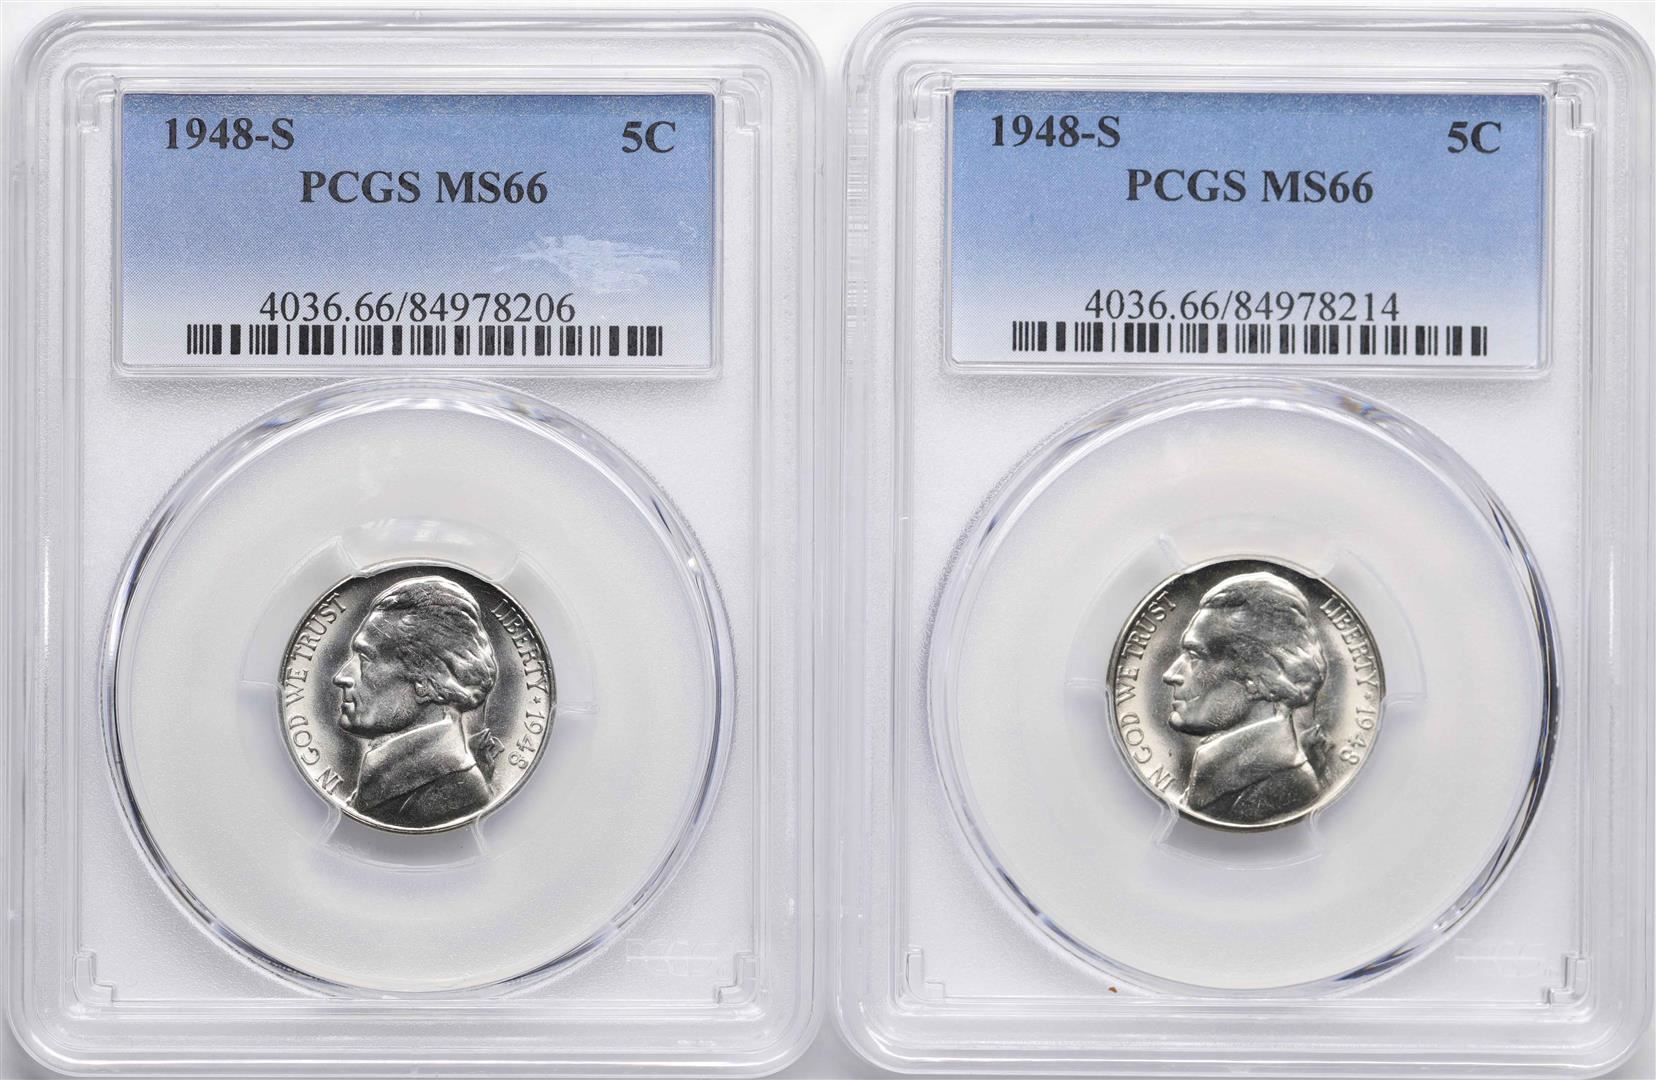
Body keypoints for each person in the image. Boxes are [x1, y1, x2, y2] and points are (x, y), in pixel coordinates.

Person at [332, 575, 498, 828]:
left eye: (365, 659)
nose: (342, 676)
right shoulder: (394, 788)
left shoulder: (456, 798)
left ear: (426, 680)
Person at [1161, 571, 1327, 824]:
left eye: (1195, 656)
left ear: (1258, 675)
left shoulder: (1287, 790)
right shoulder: (1221, 779)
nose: (1170, 674)